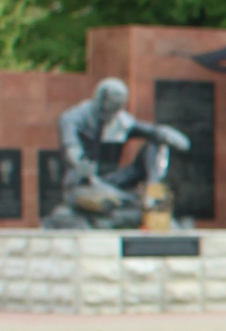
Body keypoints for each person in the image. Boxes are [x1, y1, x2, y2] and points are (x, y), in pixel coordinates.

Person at [49, 78, 186, 229]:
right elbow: (71, 148)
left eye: (116, 108)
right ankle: (127, 203)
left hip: (113, 180)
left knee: (156, 143)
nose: (111, 114)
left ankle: (152, 192)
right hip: (86, 182)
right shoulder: (72, 118)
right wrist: (81, 164)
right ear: (100, 100)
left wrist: (166, 134)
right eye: (109, 107)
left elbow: (151, 131)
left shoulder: (121, 121)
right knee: (101, 199)